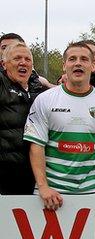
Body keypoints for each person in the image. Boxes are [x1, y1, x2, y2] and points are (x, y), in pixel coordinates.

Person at [23, 42, 95, 210]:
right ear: (64, 66)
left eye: (84, 59)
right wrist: (43, 187)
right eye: (72, 59)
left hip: (93, 193)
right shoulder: (45, 99)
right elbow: (36, 145)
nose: (78, 63)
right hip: (51, 194)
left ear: (93, 65)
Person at [0, 42, 44, 194]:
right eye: (17, 58)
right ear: (3, 64)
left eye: (27, 59)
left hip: (32, 175)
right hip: (5, 175)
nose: (23, 62)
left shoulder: (38, 89)